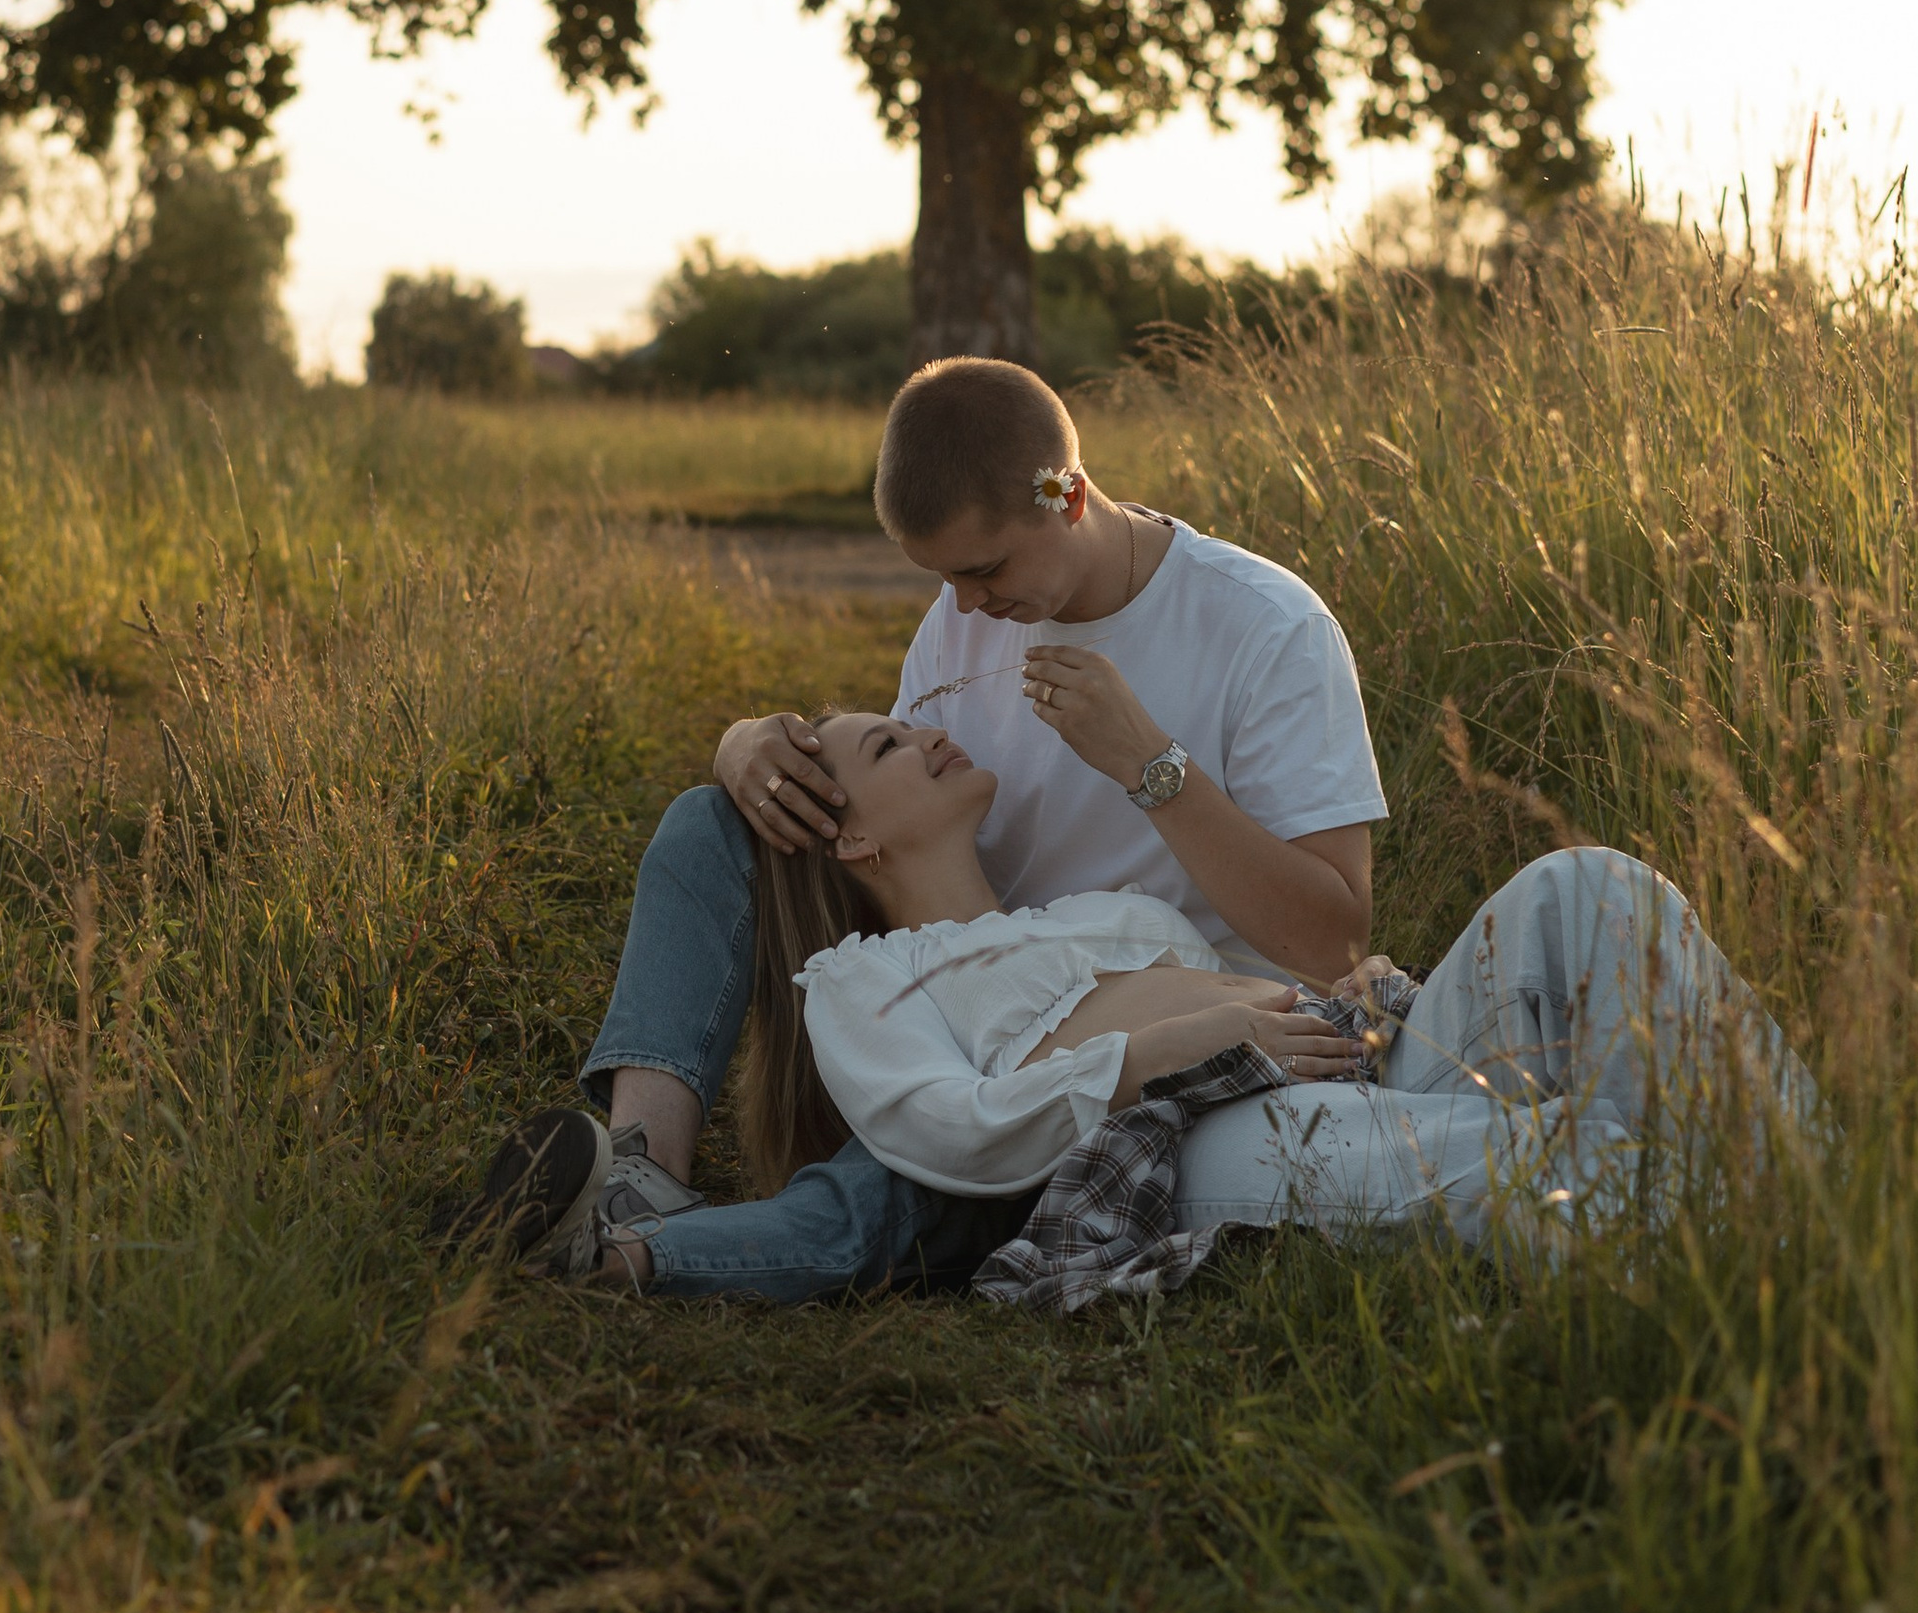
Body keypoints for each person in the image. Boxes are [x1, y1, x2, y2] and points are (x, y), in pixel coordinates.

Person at [466, 350, 1390, 1290]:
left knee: (909, 1178)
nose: (965, 607)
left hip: (1156, 1031)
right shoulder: (966, 617)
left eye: (983, 570)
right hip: (972, 1005)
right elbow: (881, 823)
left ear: (1068, 496)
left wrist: (1150, 770)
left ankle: (632, 1259)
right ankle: (638, 1171)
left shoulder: (1267, 627)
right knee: (711, 823)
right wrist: (745, 750)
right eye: (941, 578)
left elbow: (1330, 939)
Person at [491, 705, 1809, 1298]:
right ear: (849, 847)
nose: (927, 728)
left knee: (1592, 887)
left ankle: (1823, 1205)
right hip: (1195, 1133)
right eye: (888, 744)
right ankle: (1768, 1261)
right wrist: (1200, 1038)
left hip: (1359, 1053)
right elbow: (954, 1132)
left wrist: (1318, 997)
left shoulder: (1099, 912)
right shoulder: (869, 982)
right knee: (1569, 1164)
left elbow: (1269, 985)